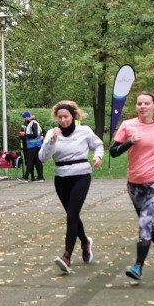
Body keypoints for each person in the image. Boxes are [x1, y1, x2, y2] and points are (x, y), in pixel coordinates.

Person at [110, 91, 154, 281]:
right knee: (146, 221)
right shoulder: (128, 125)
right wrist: (130, 142)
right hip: (134, 183)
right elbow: (113, 152)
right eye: (139, 104)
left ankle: (138, 266)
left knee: (144, 222)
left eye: (146, 103)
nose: (142, 107)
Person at [39, 101, 104, 274]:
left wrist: (98, 157)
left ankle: (67, 256)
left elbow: (98, 145)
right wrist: (51, 141)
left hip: (81, 175)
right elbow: (43, 158)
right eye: (59, 117)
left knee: (72, 215)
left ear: (73, 116)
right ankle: (85, 242)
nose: (63, 120)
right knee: (72, 215)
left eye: (66, 116)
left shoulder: (85, 131)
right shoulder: (52, 133)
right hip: (61, 177)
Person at [19, 111, 45, 181]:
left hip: (33, 145)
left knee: (29, 161)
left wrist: (25, 134)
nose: (24, 119)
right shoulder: (31, 123)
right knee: (37, 161)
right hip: (35, 145)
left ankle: (26, 177)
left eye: (25, 117)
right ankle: (40, 177)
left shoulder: (33, 123)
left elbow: (35, 134)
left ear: (28, 117)